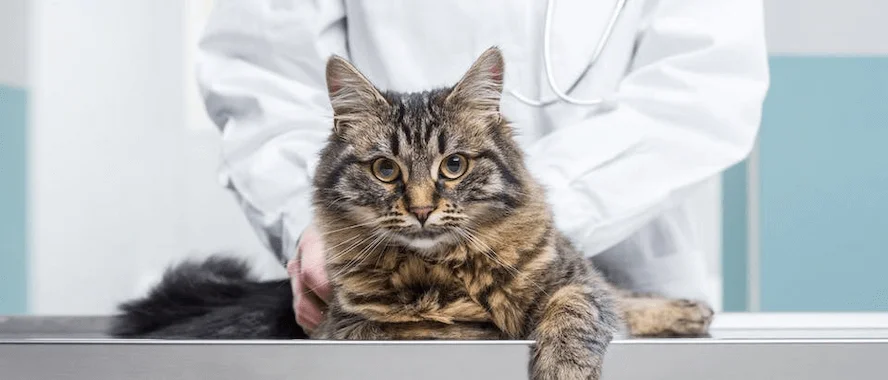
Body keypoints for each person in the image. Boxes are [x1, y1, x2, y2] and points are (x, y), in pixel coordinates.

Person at [196, 0, 769, 333]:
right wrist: (315, 221)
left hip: (624, 280)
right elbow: (263, 80)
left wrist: (512, 231)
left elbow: (702, 92)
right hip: (385, 285)